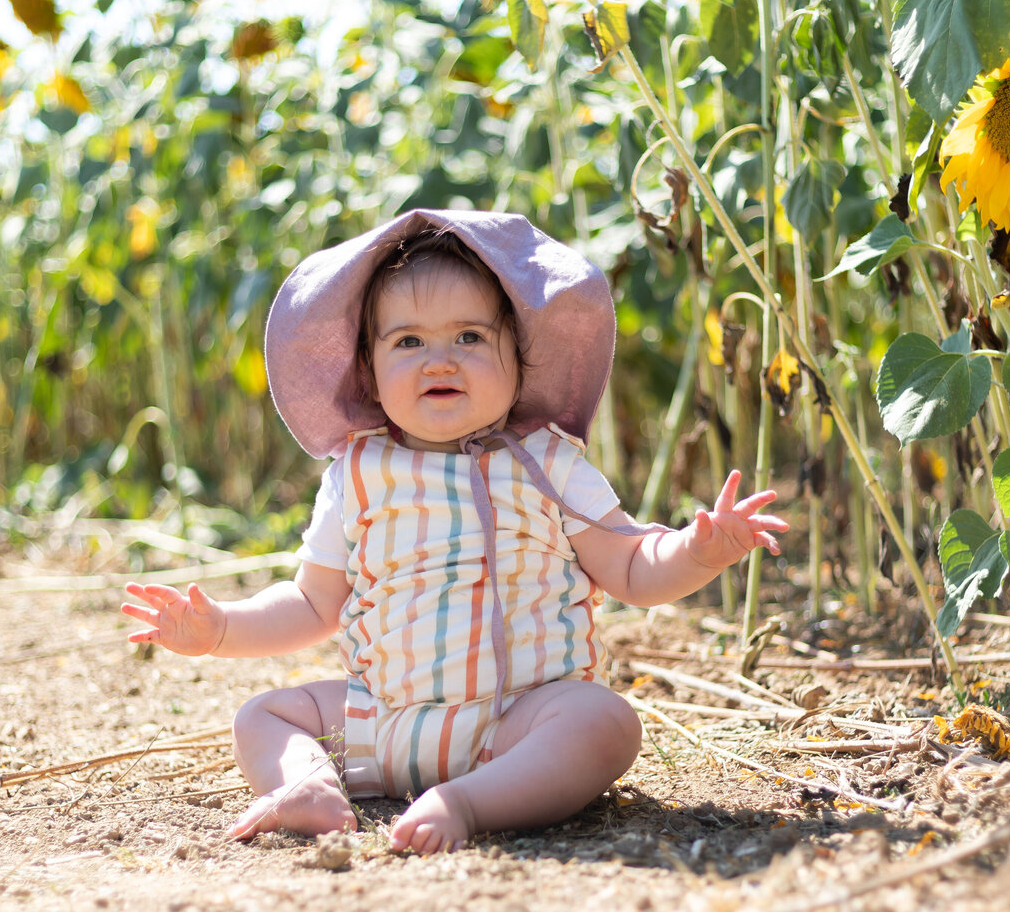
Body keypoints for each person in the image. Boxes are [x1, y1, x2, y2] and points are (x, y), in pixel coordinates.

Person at [122, 209, 786, 854]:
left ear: (520, 360)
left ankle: (472, 801)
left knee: (605, 721)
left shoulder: (548, 463)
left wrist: (697, 550)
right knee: (263, 717)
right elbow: (313, 602)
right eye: (408, 342)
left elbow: (634, 569)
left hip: (515, 723)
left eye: (469, 337)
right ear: (369, 370)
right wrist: (221, 631)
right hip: (379, 722)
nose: (439, 361)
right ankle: (310, 784)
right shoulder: (357, 473)